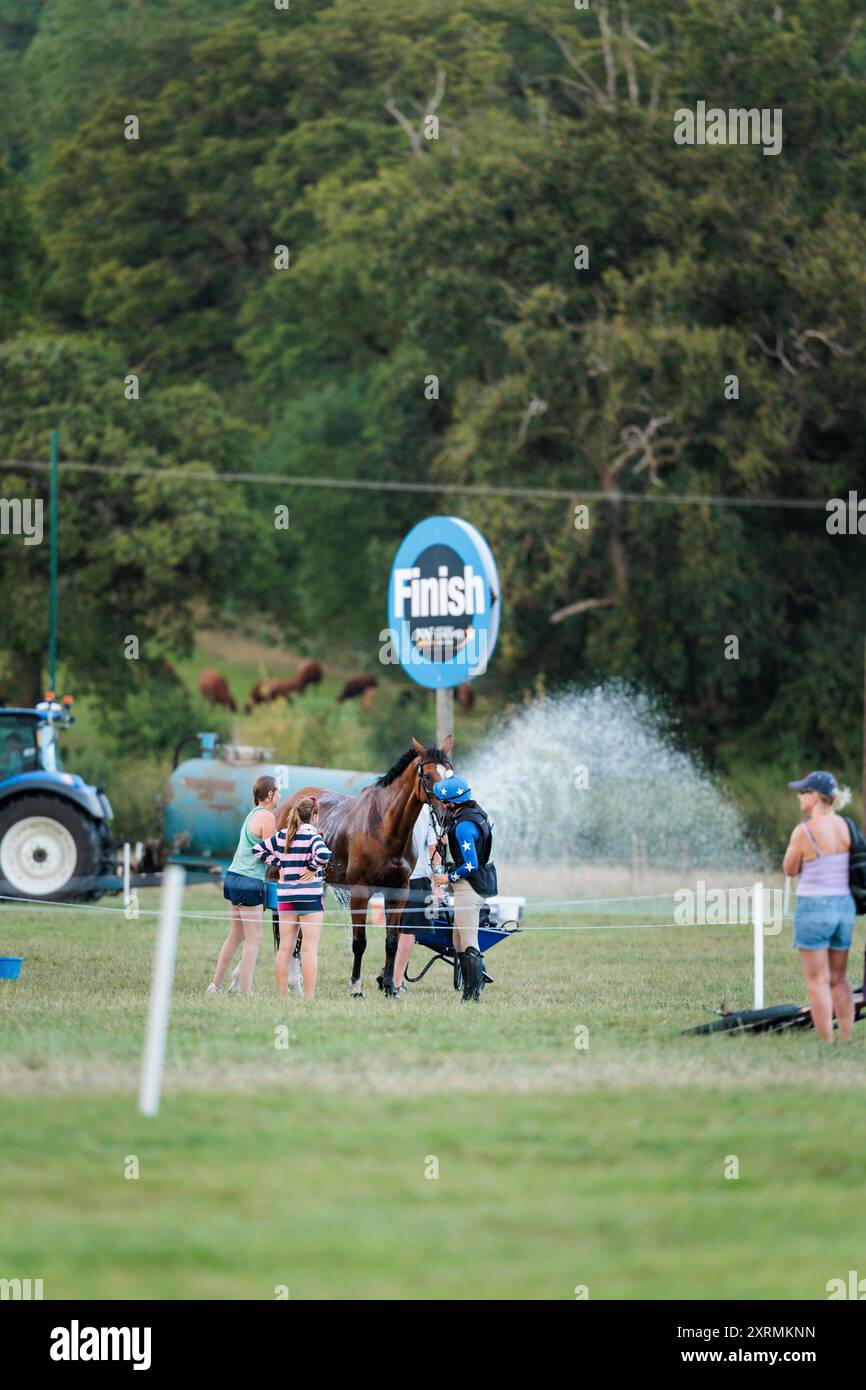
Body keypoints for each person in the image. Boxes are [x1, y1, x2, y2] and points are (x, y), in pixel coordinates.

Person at [783, 770, 856, 1043]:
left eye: (803, 792)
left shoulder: (804, 831)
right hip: (844, 907)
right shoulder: (846, 826)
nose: (799, 797)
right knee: (839, 978)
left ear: (814, 797)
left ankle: (826, 1042)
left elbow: (790, 869)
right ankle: (846, 1038)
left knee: (817, 980)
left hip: (814, 907)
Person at [208, 775, 280, 997]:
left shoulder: (252, 814)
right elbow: (273, 854)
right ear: (269, 795)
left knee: (235, 936)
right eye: (278, 791)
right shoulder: (267, 817)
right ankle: (245, 992)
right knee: (254, 939)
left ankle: (215, 986)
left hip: (233, 878)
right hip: (250, 882)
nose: (280, 795)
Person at [253, 796, 331, 999]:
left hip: (286, 897)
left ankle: (281, 995)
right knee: (309, 949)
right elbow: (324, 855)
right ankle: (309, 997)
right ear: (314, 815)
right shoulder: (313, 836)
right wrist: (312, 868)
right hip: (310, 898)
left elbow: (258, 850)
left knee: (285, 947)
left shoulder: (283, 835)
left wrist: (280, 864)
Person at [431, 774, 497, 1002]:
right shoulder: (472, 813)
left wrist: (447, 877)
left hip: (469, 886)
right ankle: (470, 988)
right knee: (458, 941)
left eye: (442, 800)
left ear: (451, 802)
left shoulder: (463, 827)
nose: (441, 804)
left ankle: (472, 995)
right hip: (467, 886)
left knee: (468, 942)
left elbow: (471, 864)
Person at [393, 800, 442, 993]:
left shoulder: (394, 804)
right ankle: (397, 982)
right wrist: (437, 884)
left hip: (393, 877)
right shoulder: (427, 810)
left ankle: (389, 974)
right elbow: (433, 850)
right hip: (417, 877)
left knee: (395, 928)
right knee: (409, 931)